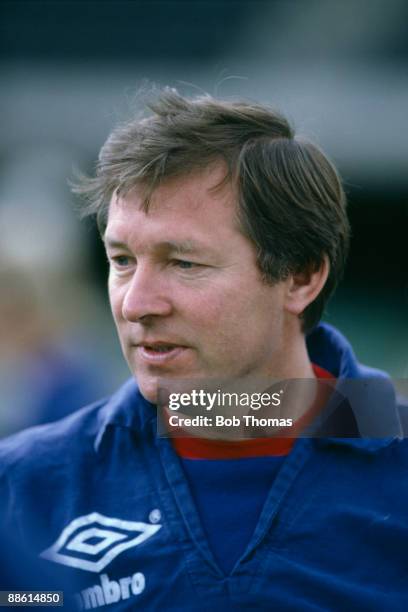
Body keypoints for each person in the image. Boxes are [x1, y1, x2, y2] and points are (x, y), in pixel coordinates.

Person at [0, 89, 407, 611]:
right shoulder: (21, 488)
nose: (136, 304)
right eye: (122, 260)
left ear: (302, 277)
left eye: (184, 263)